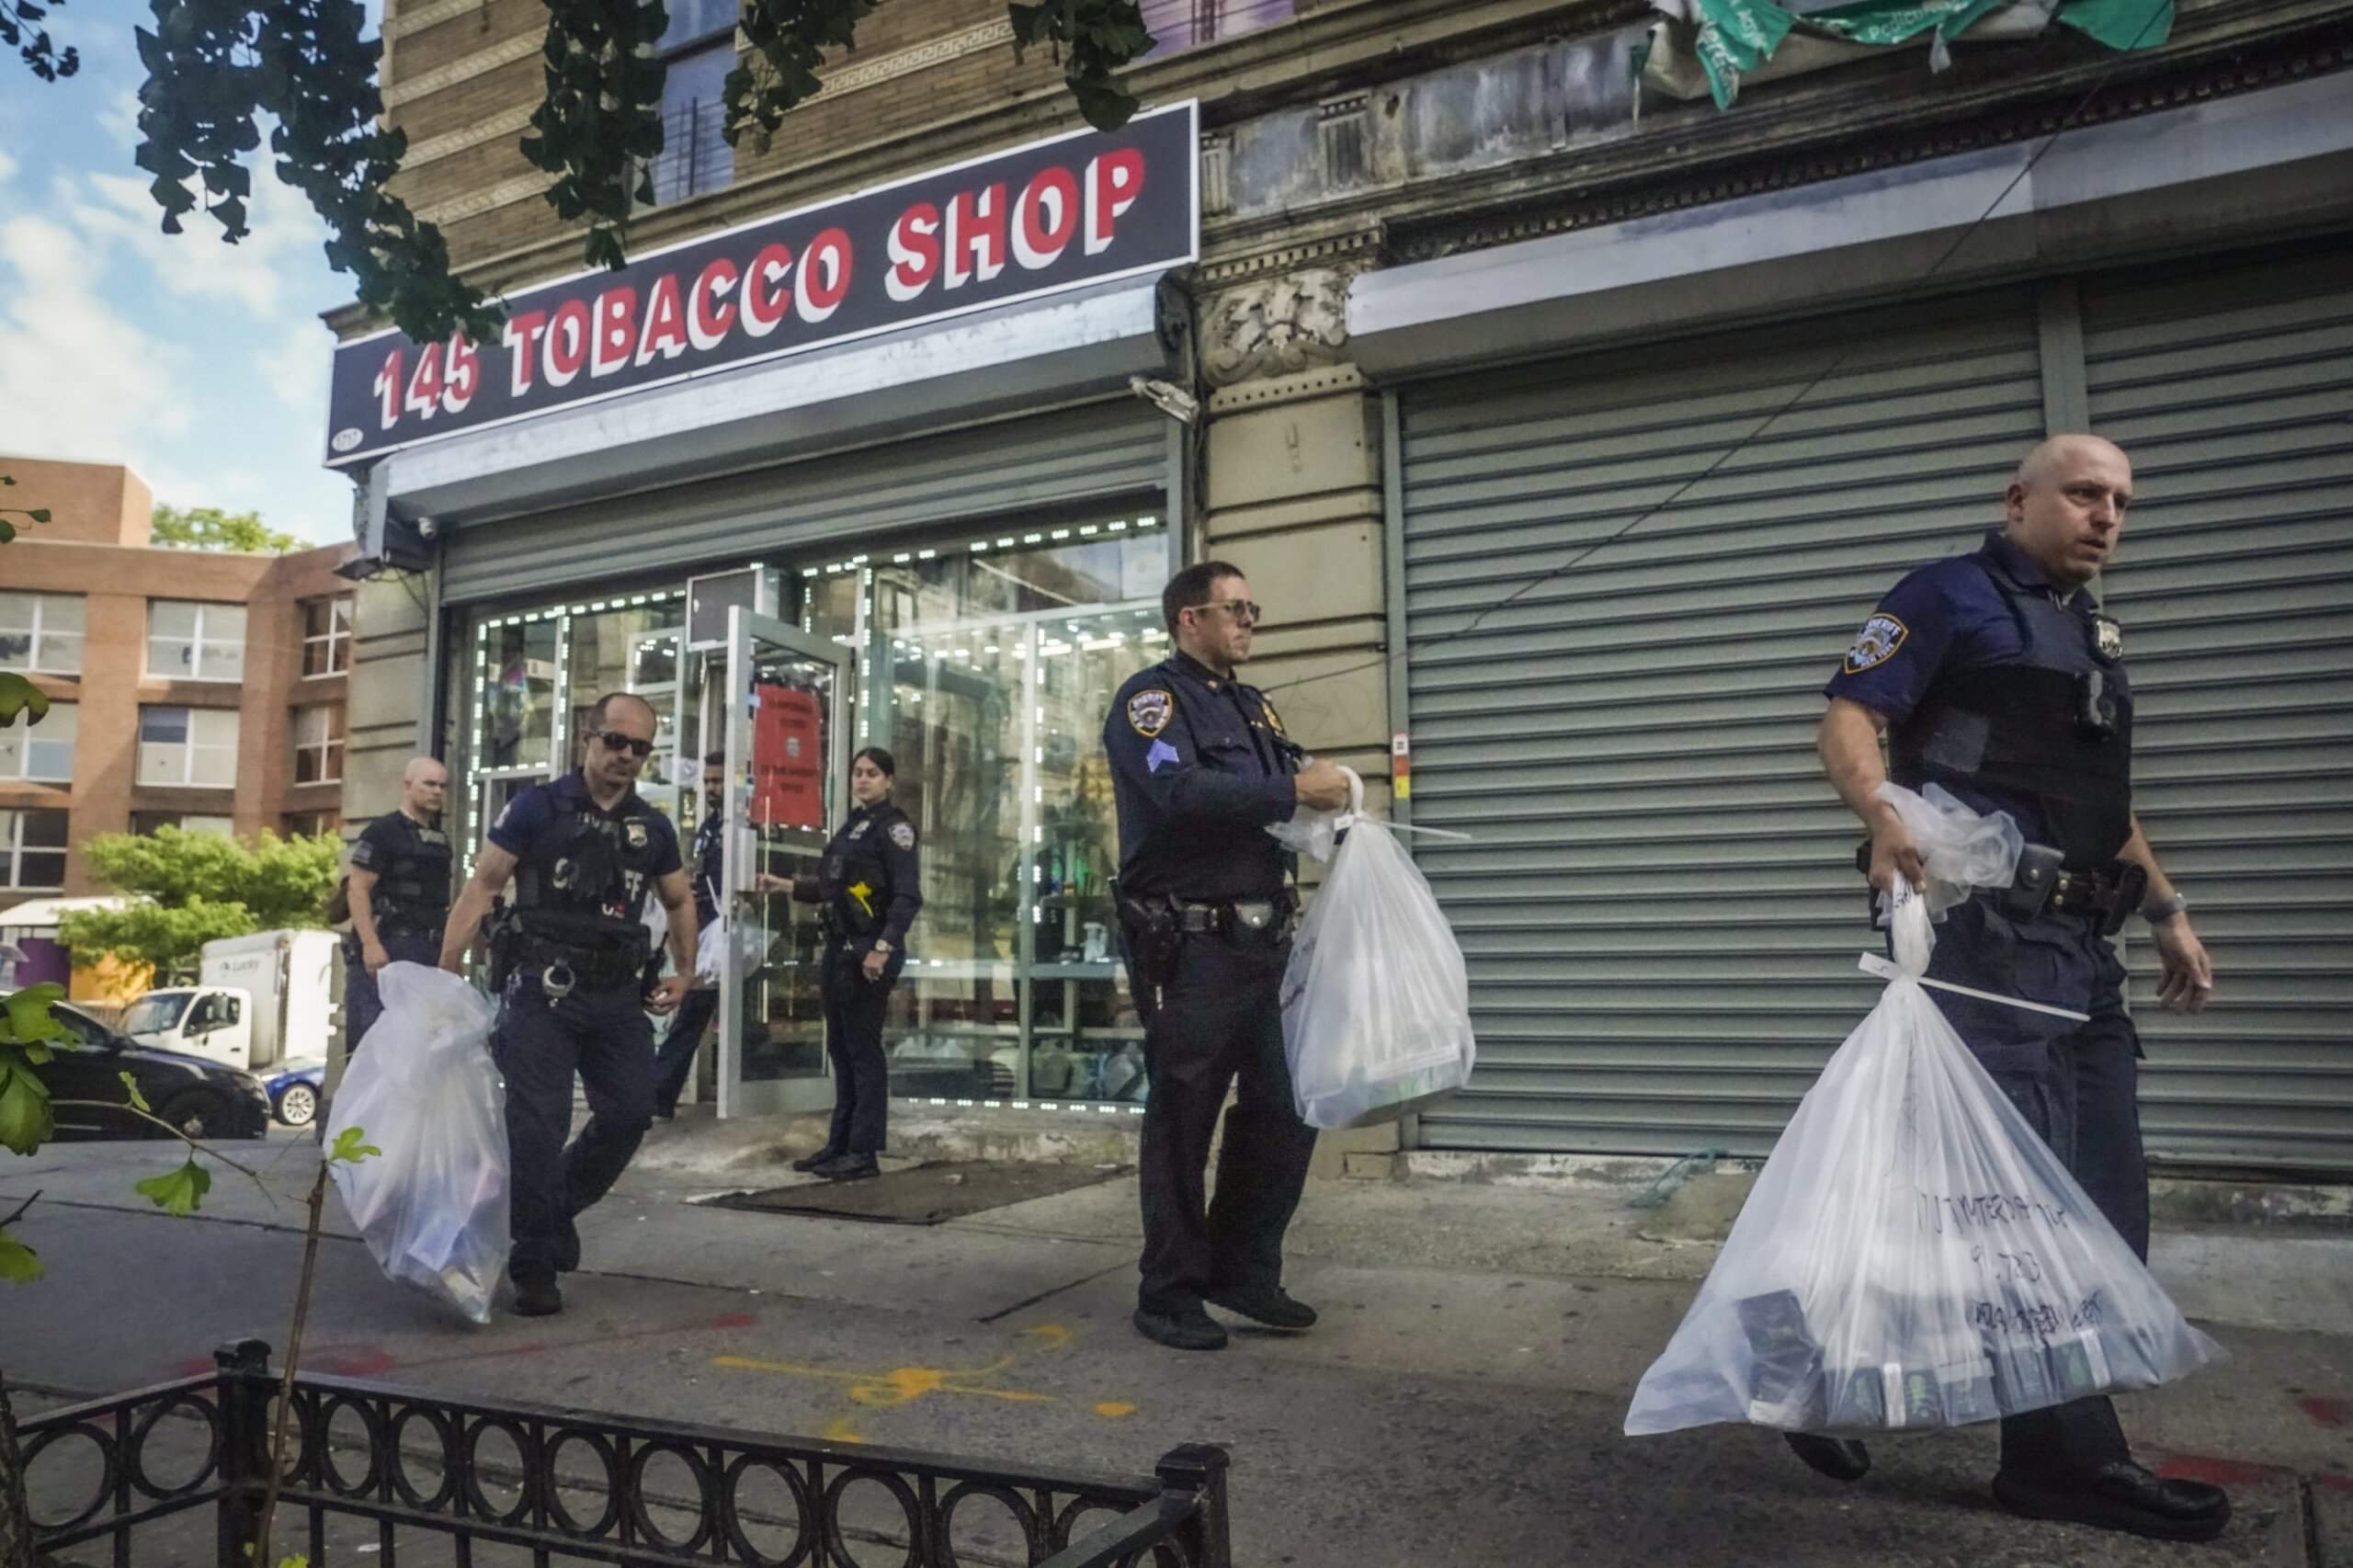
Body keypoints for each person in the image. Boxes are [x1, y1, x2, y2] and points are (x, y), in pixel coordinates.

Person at [1808, 435, 2226, 1541]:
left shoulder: (2089, 631)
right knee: (2006, 1204)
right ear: (2018, 499)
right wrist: (1881, 814)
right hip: (1988, 943)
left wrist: (2166, 910)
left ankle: (2042, 1447)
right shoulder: (1947, 593)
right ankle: (2043, 1449)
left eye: (2123, 503)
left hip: (2084, 949)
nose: (2107, 517)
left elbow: (2097, 798)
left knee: (2098, 1202)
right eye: (2086, 494)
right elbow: (1851, 715)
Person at [1103, 562, 1353, 1351]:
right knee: (1184, 1118)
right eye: (1236, 608)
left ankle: (1243, 1269)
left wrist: (1331, 798)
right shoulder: (1151, 703)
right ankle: (1169, 1289)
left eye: (1254, 609)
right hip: (1193, 946)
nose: (1250, 622)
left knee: (1287, 1108)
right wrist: (1291, 794)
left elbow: (1295, 779)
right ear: (1189, 619)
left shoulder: (1254, 707)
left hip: (1266, 946)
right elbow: (1182, 794)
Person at [440, 692, 697, 1317]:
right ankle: (534, 1265)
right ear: (589, 737)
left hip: (615, 995)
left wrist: (688, 971)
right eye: (616, 742)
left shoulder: (652, 826)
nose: (627, 756)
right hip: (543, 991)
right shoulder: (536, 807)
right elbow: (484, 884)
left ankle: (551, 1212)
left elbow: (679, 900)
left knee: (632, 1113)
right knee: (537, 1125)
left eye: (640, 748)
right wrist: (445, 973)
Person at [788, 745, 922, 1181]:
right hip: (842, 949)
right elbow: (834, 886)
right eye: (858, 772)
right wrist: (785, 886)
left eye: (872, 773)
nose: (863, 780)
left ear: (888, 781)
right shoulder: (854, 827)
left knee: (863, 1051)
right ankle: (840, 1143)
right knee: (842, 1051)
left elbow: (907, 895)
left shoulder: (894, 828)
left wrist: (882, 948)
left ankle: (864, 1152)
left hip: (868, 951)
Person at [344, 757, 452, 1050]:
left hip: (426, 952)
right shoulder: (382, 833)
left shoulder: (440, 840)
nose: (437, 791)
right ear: (408, 785)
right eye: (429, 784)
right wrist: (370, 944)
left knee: (418, 1052)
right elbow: (357, 888)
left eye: (443, 785)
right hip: (388, 949)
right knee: (374, 1050)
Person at [653, 752, 728, 1119]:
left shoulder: (747, 827)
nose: (712, 788)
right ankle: (659, 1092)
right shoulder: (709, 828)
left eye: (719, 781)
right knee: (698, 1007)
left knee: (697, 1006)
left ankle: (658, 1092)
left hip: (736, 933)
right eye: (708, 781)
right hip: (710, 931)